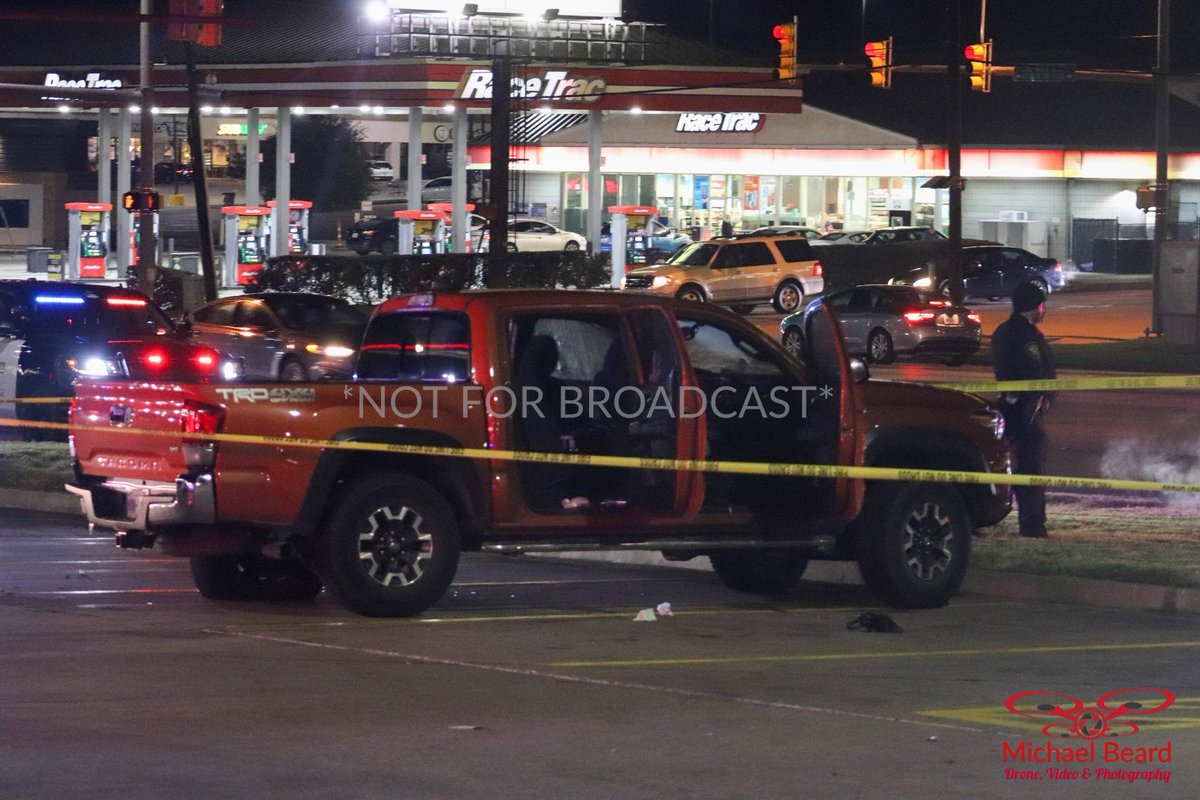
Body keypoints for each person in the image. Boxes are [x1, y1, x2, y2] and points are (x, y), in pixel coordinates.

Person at [991, 281, 1055, 538]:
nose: (1044, 311)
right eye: (1042, 306)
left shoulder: (1004, 331)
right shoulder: (1025, 336)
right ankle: (1031, 524)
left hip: (1012, 408)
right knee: (1030, 467)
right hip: (1024, 412)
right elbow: (1035, 374)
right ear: (1035, 307)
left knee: (1004, 464)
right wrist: (1039, 401)